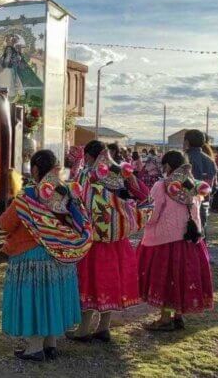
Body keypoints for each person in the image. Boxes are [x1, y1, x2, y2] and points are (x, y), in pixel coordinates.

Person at [0, 150, 92, 361]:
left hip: (31, 257)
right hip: (61, 256)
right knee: (52, 298)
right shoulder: (67, 194)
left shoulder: (27, 196)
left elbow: (5, 224)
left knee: (34, 299)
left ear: (34, 170)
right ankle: (51, 343)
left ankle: (34, 347)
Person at [68, 140, 150, 343]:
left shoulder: (87, 175)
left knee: (90, 282)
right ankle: (103, 327)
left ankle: (83, 329)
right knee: (110, 281)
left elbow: (76, 201)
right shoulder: (119, 173)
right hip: (118, 239)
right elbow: (144, 195)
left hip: (94, 240)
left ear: (88, 157)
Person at [138, 151, 214, 331]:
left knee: (167, 277)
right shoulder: (195, 185)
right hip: (189, 239)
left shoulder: (162, 185)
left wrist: (142, 219)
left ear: (168, 167)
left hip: (165, 240)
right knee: (181, 277)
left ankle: (165, 318)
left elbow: (153, 214)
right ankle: (178, 316)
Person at [183, 129, 217, 233]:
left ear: (187, 142)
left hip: (186, 203)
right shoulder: (210, 160)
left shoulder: (184, 158)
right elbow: (214, 187)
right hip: (204, 201)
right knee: (201, 232)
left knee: (186, 235)